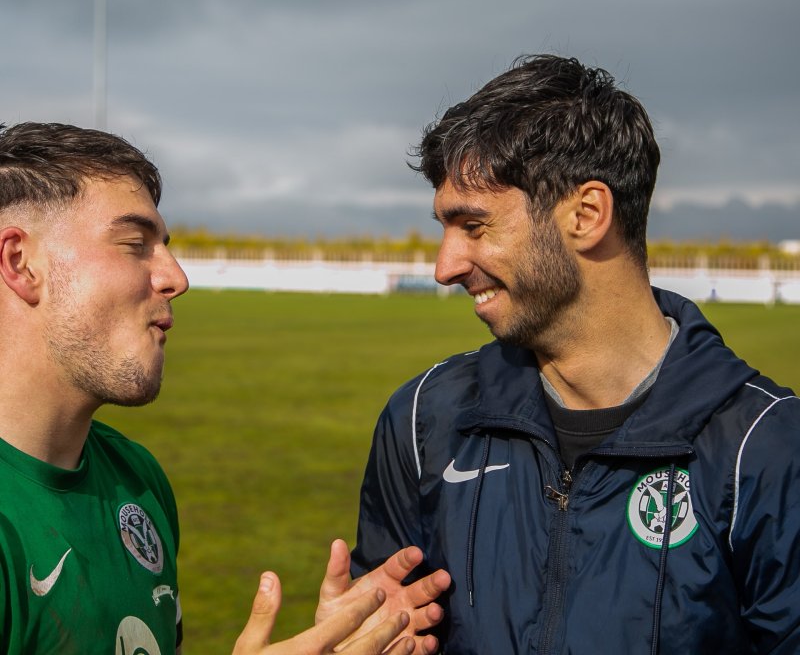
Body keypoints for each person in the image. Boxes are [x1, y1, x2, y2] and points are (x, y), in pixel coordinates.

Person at [351, 55, 800, 654]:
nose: (444, 266)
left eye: (474, 226)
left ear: (587, 215)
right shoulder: (423, 420)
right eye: (443, 228)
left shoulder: (764, 447)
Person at [0, 122, 450, 655]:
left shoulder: (136, 479)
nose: (176, 277)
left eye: (163, 246)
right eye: (135, 245)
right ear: (20, 263)